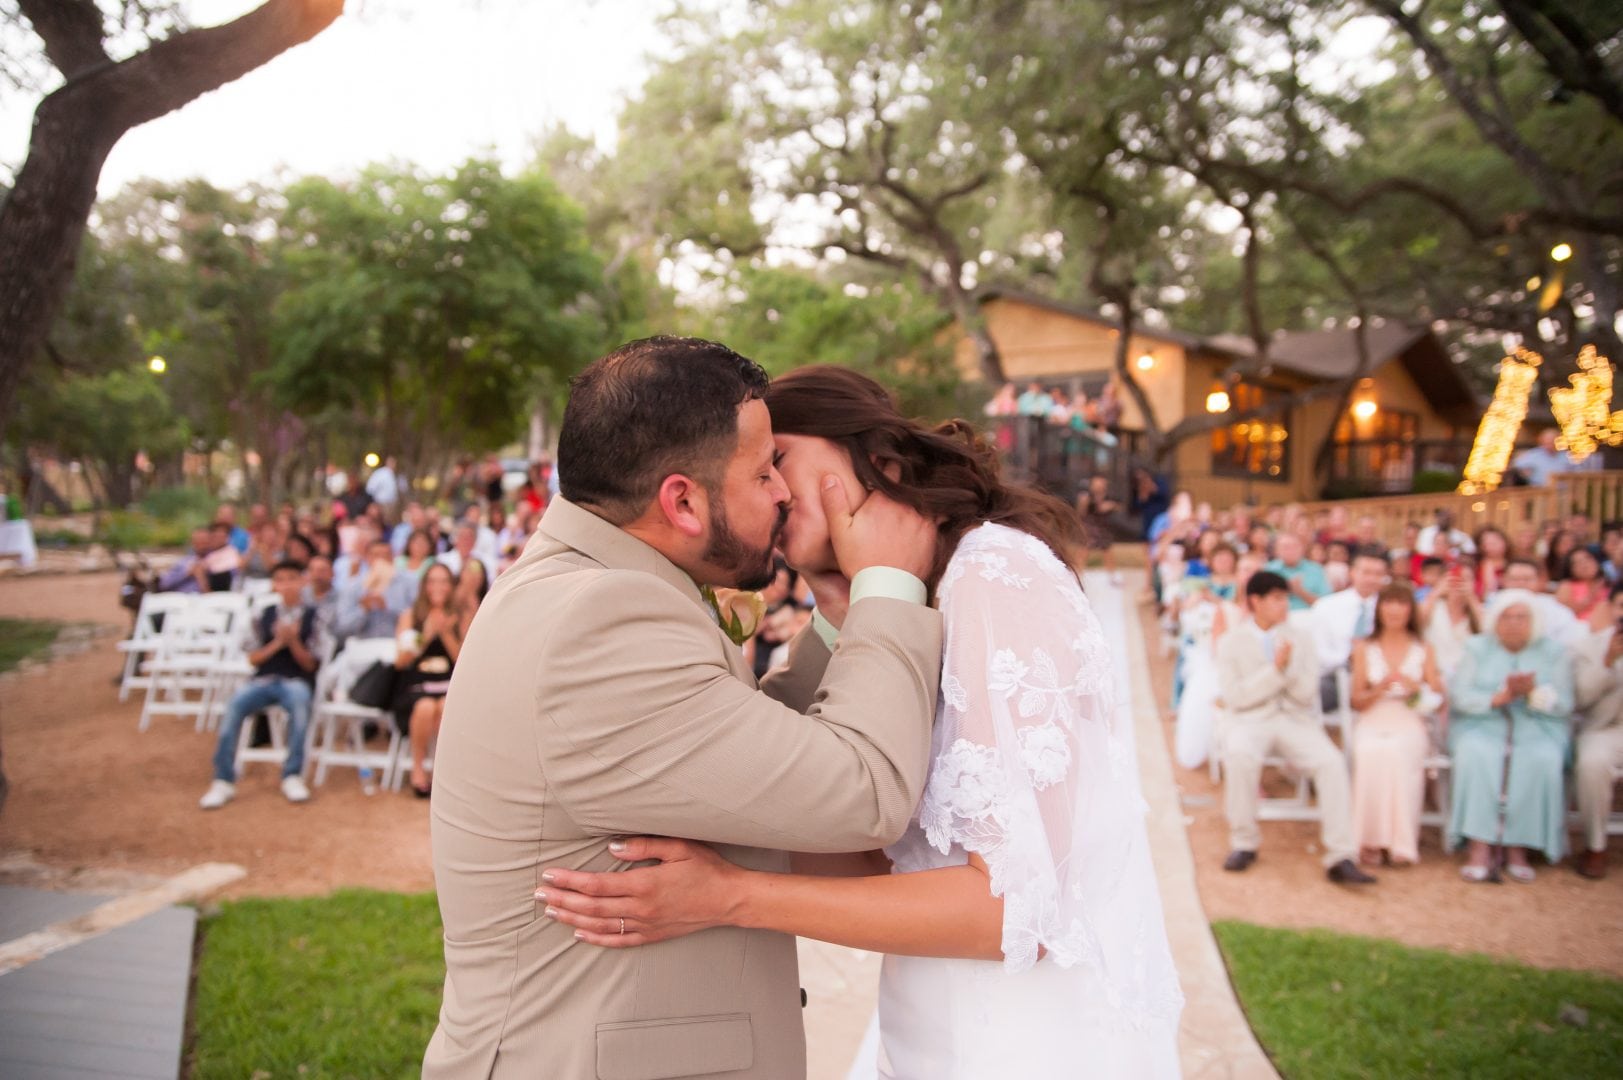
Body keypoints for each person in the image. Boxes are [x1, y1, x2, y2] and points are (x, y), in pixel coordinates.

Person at [537, 364, 1182, 1077]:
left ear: (878, 459)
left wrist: (733, 896)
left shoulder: (997, 575)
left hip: (1029, 1041)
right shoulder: (899, 613)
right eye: (759, 477)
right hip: (929, 1021)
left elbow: (1015, 911)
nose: (774, 495)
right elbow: (882, 852)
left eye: (777, 462)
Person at [422, 338, 944, 1080]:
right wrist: (889, 587)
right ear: (682, 500)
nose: (783, 493)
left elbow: (735, 747)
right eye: (763, 472)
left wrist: (834, 617)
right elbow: (864, 792)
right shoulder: (599, 620)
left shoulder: (588, 584)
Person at [1213, 571, 1373, 884]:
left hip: (1294, 719)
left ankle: (1341, 855)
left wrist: (1280, 673)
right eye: (1276, 598)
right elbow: (1236, 697)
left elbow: (1305, 693)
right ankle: (1243, 842)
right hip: (1249, 720)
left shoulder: (1301, 638)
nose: (1284, 604)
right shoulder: (1232, 641)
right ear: (1255, 601)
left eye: (1285, 597)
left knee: (1331, 762)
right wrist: (1277, 671)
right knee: (1240, 754)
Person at [1446, 589, 1575, 882]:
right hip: (1483, 723)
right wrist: (1499, 697)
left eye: (1521, 617)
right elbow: (1461, 696)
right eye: (1506, 616)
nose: (1514, 623)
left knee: (1539, 758)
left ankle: (1518, 846)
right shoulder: (1477, 647)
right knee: (1476, 755)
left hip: (1536, 725)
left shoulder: (1553, 652)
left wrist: (1533, 694)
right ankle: (1479, 845)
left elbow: (1565, 703)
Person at [198, 561, 320, 809]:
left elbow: (312, 664)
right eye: (281, 579)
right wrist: (277, 642)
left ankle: (292, 774)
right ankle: (223, 779)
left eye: (292, 578)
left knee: (300, 708)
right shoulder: (261, 616)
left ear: (302, 581)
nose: (286, 585)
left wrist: (294, 641)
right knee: (233, 707)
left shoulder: (314, 617)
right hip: (263, 680)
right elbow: (252, 658)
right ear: (274, 584)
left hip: (296, 681)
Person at [1349, 584, 1445, 867]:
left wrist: (1414, 686)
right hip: (1374, 715)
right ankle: (1368, 840)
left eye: (1401, 603)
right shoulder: (1364, 649)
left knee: (1398, 753)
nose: (1394, 610)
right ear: (1379, 609)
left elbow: (1437, 700)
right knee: (1369, 752)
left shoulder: (1424, 649)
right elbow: (1357, 700)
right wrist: (1379, 687)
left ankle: (1401, 842)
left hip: (1409, 718)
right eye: (1388, 603)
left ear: (1410, 610)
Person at [393, 563, 462, 797]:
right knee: (424, 707)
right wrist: (428, 634)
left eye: (444, 581)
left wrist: (445, 632)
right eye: (433, 581)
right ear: (424, 586)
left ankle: (441, 772)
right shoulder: (410, 616)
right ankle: (418, 768)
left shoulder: (460, 617)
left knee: (444, 707)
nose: (438, 587)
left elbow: (462, 660)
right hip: (416, 684)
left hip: (449, 684)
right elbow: (401, 661)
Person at [1572, 584, 1623, 879]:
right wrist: (1607, 664)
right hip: (1603, 729)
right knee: (1592, 762)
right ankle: (1595, 846)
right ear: (1612, 609)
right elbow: (1580, 699)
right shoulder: (1588, 646)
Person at [334, 538, 418, 643]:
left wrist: (387, 607)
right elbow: (342, 629)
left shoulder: (409, 581)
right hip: (362, 645)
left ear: (393, 557)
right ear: (367, 558)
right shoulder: (353, 586)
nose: (381, 560)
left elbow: (418, 619)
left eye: (386, 555)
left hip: (395, 644)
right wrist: (363, 609)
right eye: (376, 555)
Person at [1266, 531, 1330, 612]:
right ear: (1276, 551)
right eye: (1285, 547)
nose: (1290, 551)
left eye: (1295, 546)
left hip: (1310, 616)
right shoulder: (1268, 570)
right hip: (1277, 619)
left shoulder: (1316, 569)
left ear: (1303, 549)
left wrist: (1300, 591)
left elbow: (1326, 604)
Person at [1076, 474, 1122, 584]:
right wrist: (1083, 503)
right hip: (1090, 526)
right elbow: (1081, 512)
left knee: (1107, 551)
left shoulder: (1109, 496)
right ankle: (1077, 575)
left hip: (1103, 527)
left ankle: (1112, 577)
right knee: (1084, 550)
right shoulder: (1086, 495)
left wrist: (1111, 506)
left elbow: (1119, 506)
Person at [1556, 546, 1608, 622]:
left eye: (1588, 558)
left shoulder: (1609, 584)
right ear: (1571, 570)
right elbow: (1561, 613)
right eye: (1578, 563)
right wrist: (1590, 596)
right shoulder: (1567, 585)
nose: (1584, 564)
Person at [366, 455, 401, 520]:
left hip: (391, 504)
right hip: (381, 503)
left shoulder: (393, 474)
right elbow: (371, 488)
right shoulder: (381, 473)